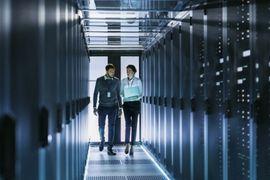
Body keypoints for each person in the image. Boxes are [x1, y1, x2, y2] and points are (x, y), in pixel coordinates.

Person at [93, 64, 122, 156]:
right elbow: (95, 93)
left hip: (113, 107)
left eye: (113, 71)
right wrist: (94, 107)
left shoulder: (117, 81)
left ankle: (110, 147)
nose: (112, 73)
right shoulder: (99, 80)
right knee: (101, 126)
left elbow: (118, 94)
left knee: (112, 127)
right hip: (102, 106)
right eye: (110, 71)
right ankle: (102, 139)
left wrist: (120, 107)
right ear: (106, 71)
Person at [120, 65, 142, 155]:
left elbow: (140, 93)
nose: (127, 72)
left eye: (129, 70)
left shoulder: (138, 81)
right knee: (127, 124)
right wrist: (126, 94)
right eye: (127, 70)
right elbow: (121, 92)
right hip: (127, 104)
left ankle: (132, 145)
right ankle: (127, 144)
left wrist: (134, 94)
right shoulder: (123, 81)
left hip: (135, 103)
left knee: (134, 125)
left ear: (134, 71)